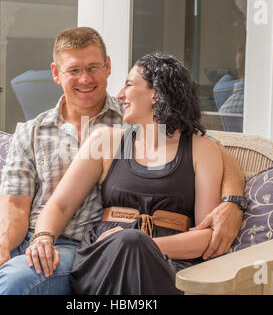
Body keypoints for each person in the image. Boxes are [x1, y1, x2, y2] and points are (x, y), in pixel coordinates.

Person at [0, 27, 244, 295]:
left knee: (17, 277)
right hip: (27, 234)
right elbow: (16, 203)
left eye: (94, 67)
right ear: (56, 73)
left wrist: (233, 201)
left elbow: (205, 148)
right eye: (74, 69)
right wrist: (1, 248)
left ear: (107, 67)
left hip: (78, 245)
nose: (85, 78)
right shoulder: (32, 131)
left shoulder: (128, 124)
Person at [27, 52, 224, 294]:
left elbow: (206, 237)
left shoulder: (202, 149)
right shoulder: (105, 141)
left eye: (129, 85)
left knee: (131, 242)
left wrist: (142, 245)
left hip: (168, 264)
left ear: (157, 94)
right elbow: (61, 205)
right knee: (128, 244)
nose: (120, 95)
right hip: (103, 259)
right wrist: (43, 237)